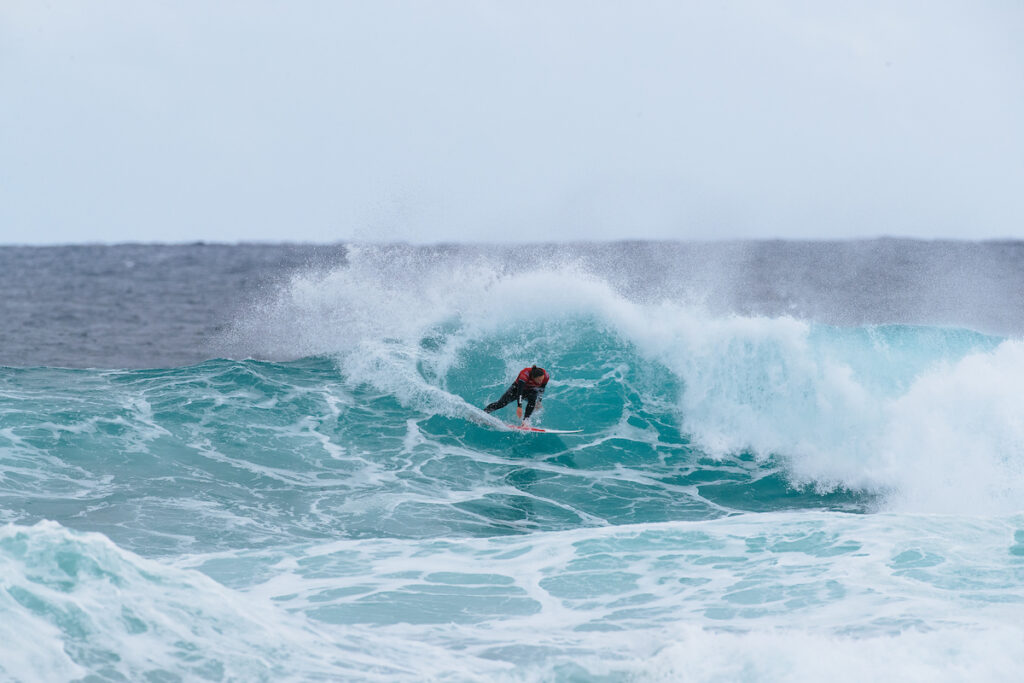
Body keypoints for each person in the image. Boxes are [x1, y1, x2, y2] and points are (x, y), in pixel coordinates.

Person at [484, 365, 550, 423]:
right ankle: (484, 412)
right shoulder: (524, 374)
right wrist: (519, 406)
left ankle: (525, 421)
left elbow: (541, 389)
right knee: (501, 403)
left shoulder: (546, 376)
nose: (540, 382)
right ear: (533, 377)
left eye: (542, 379)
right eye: (539, 380)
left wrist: (539, 401)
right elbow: (520, 391)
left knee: (533, 399)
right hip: (517, 389)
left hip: (531, 390)